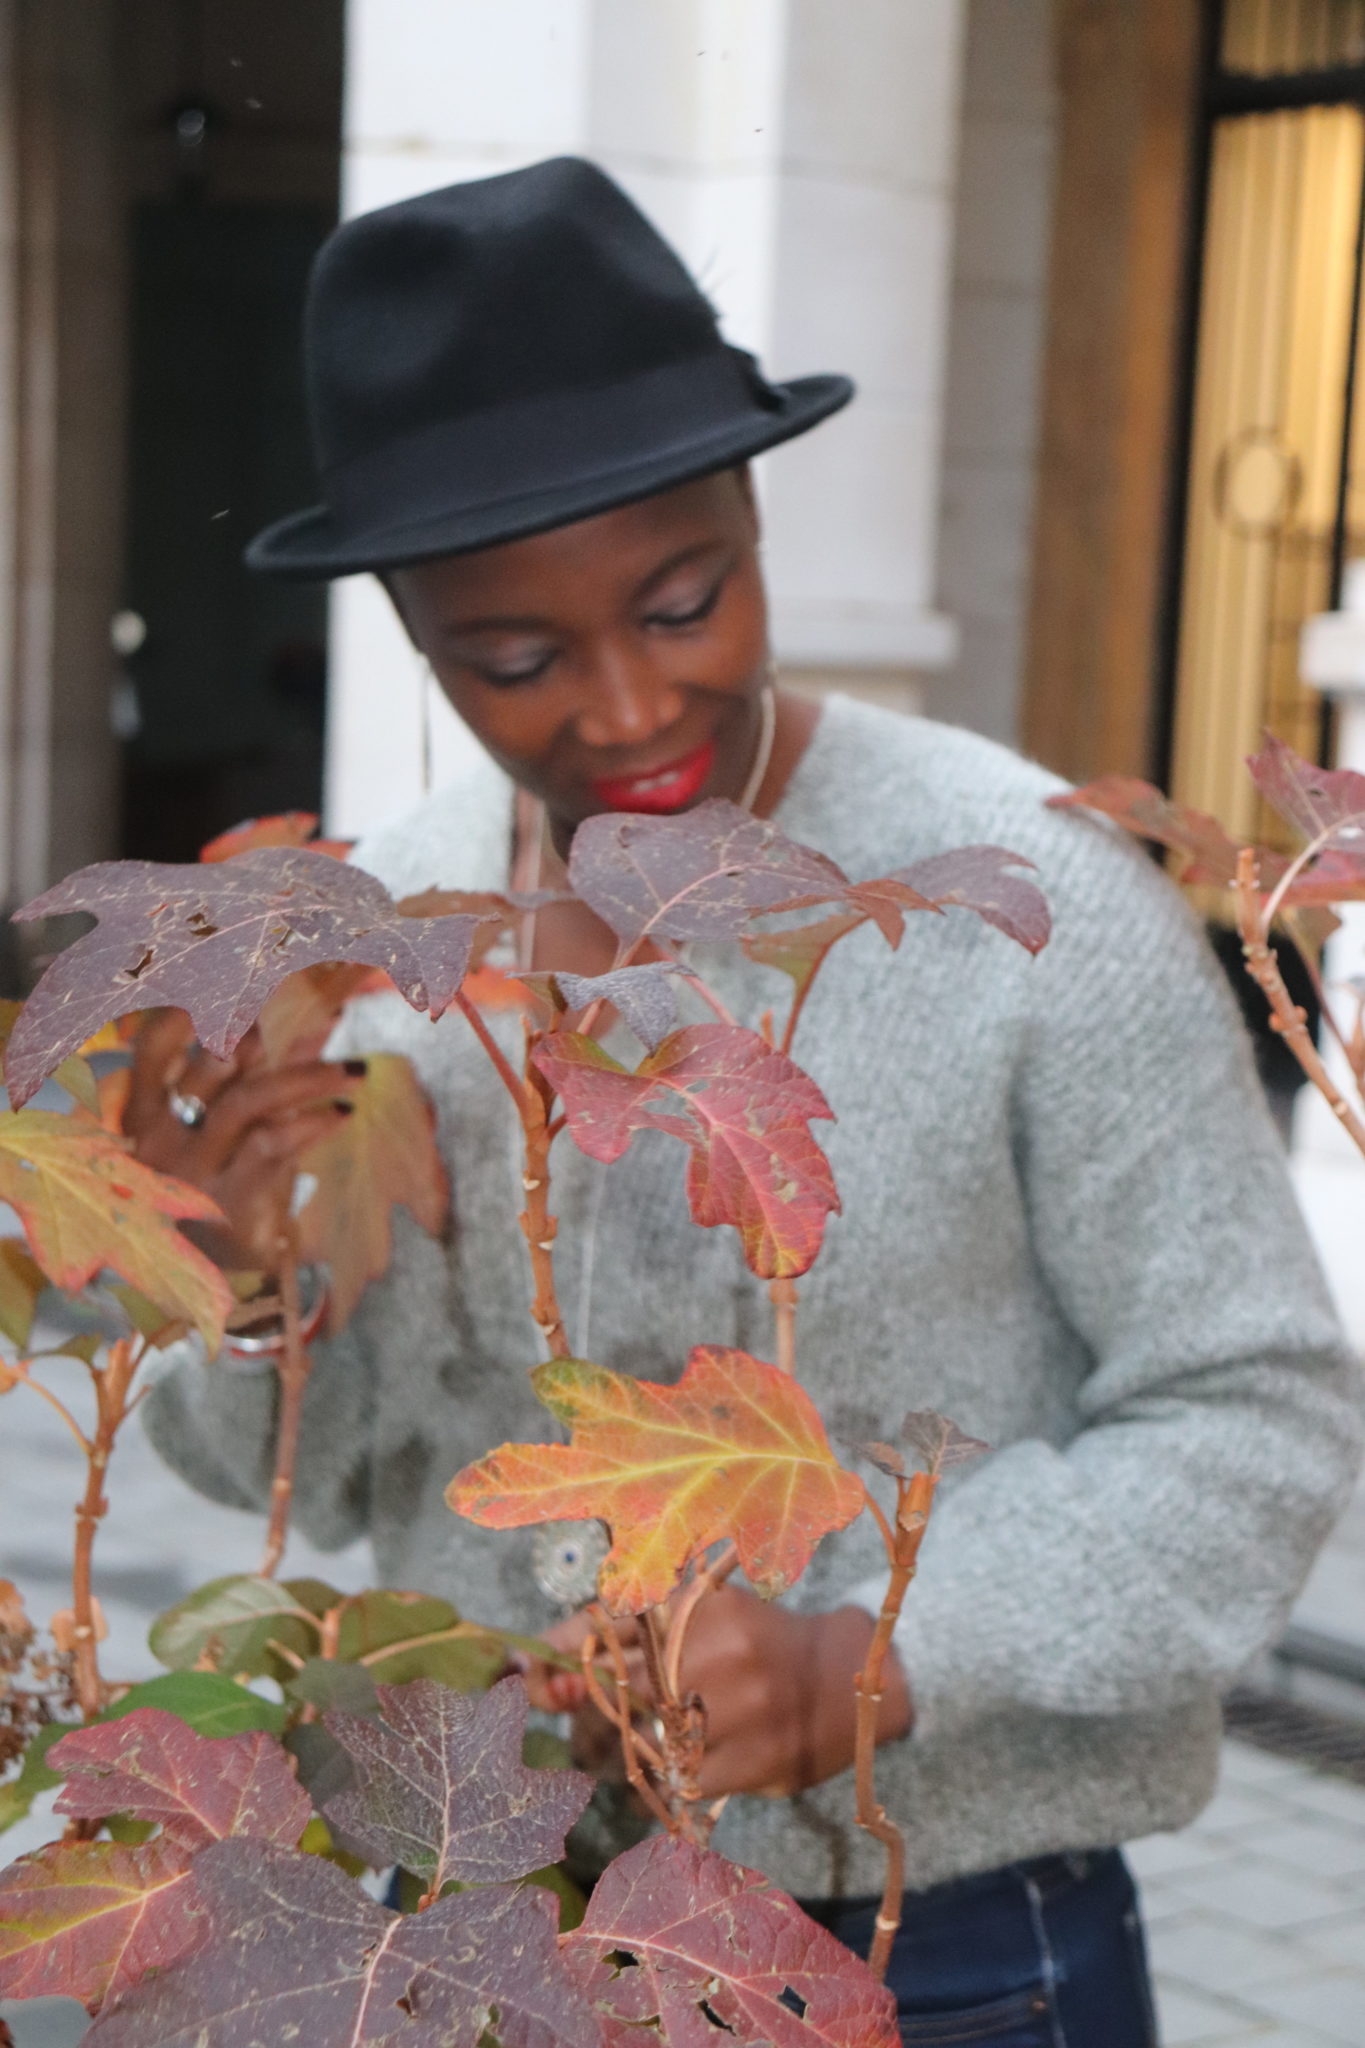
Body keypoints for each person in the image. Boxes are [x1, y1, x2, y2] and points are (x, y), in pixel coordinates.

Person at [127, 158, 1362, 2046]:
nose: (626, 707)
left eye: (684, 602)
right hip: (483, 1938)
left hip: (941, 1957)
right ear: (410, 628)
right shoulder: (381, 938)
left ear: (754, 521)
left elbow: (1253, 1411)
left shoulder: (1020, 900)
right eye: (514, 659)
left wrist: (881, 1655)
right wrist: (227, 1285)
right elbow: (279, 1467)